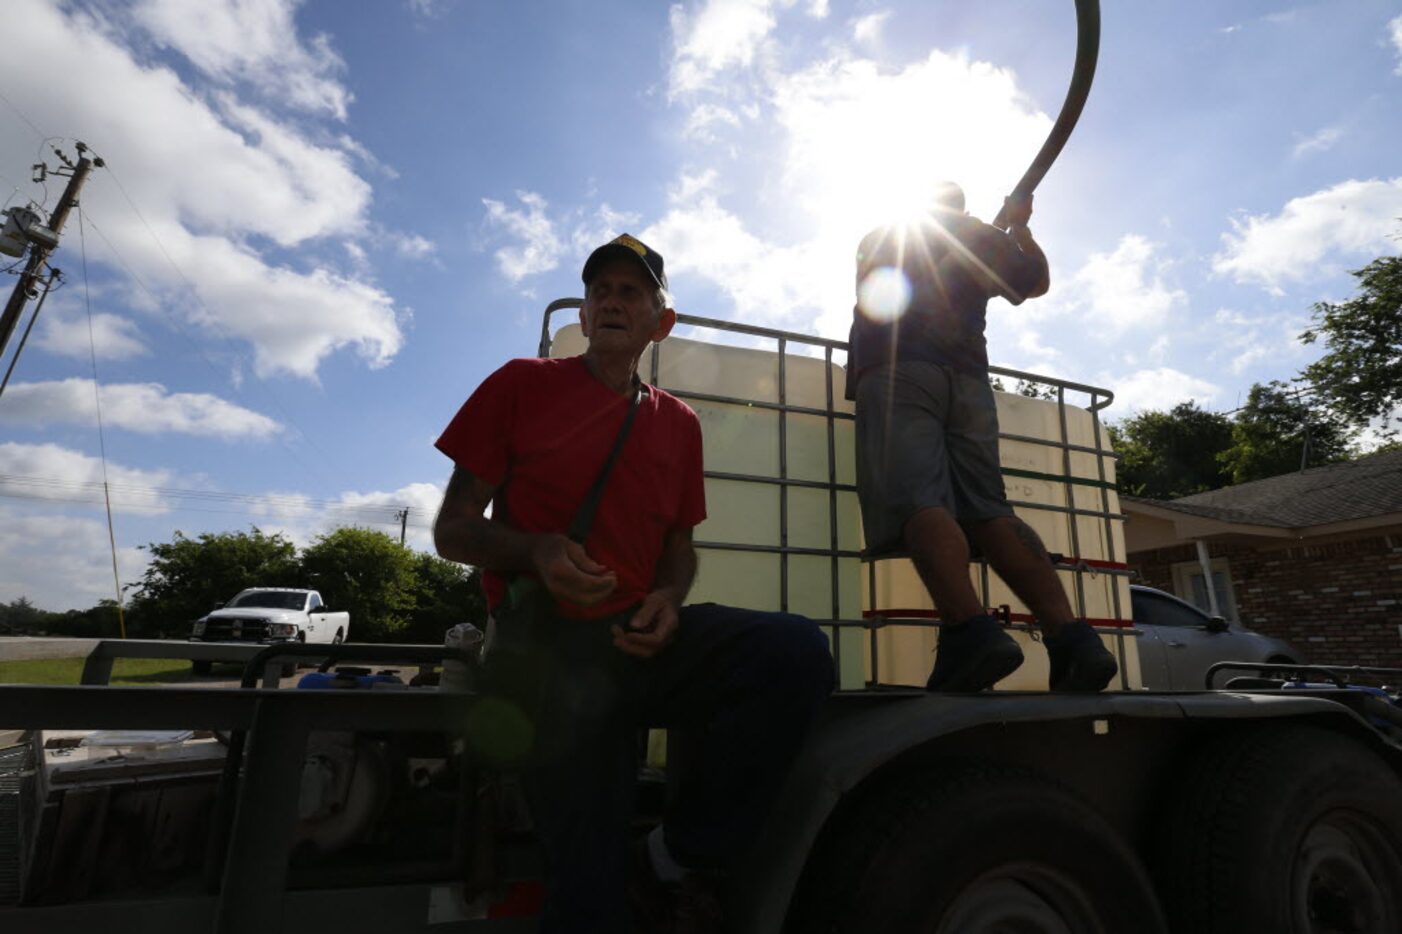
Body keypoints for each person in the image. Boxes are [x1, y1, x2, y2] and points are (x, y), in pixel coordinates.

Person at [433, 233, 835, 933]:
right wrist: (538, 551)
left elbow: (679, 547)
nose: (613, 302)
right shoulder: (519, 384)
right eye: (601, 292)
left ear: (661, 321)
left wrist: (669, 599)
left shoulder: (677, 423)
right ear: (583, 317)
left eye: (632, 292)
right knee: (589, 899)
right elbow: (452, 531)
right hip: (551, 658)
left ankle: (677, 857)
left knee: (795, 651)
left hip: (637, 644)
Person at [845, 183, 1118, 693]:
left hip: (899, 368)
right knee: (989, 509)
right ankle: (1073, 639)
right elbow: (1034, 282)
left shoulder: (887, 233)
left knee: (918, 501)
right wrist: (1017, 231)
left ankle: (970, 631)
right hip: (968, 381)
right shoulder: (983, 236)